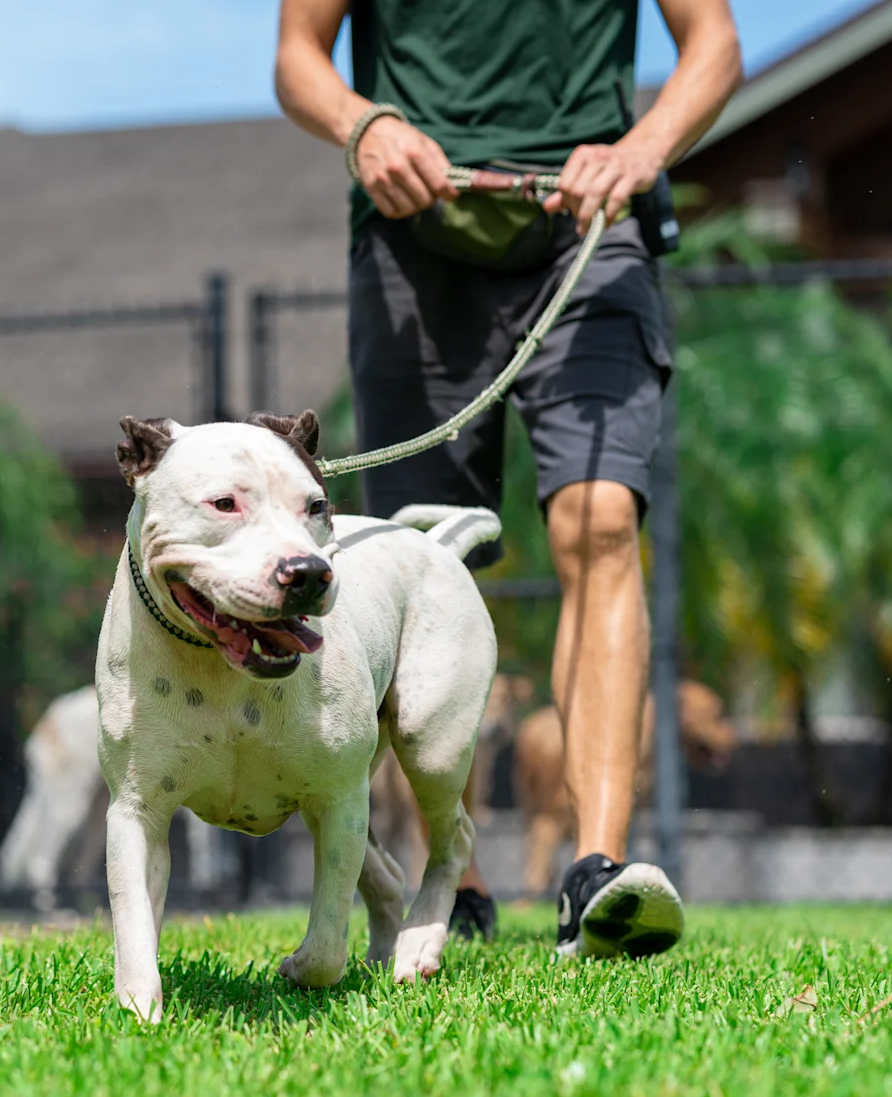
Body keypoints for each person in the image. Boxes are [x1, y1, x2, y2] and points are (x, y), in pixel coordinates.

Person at [275, 0, 740, 957]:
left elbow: (715, 44)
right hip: (413, 246)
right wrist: (364, 126)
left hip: (591, 229)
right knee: (419, 562)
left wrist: (643, 146)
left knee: (602, 522)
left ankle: (596, 875)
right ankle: (460, 880)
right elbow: (296, 57)